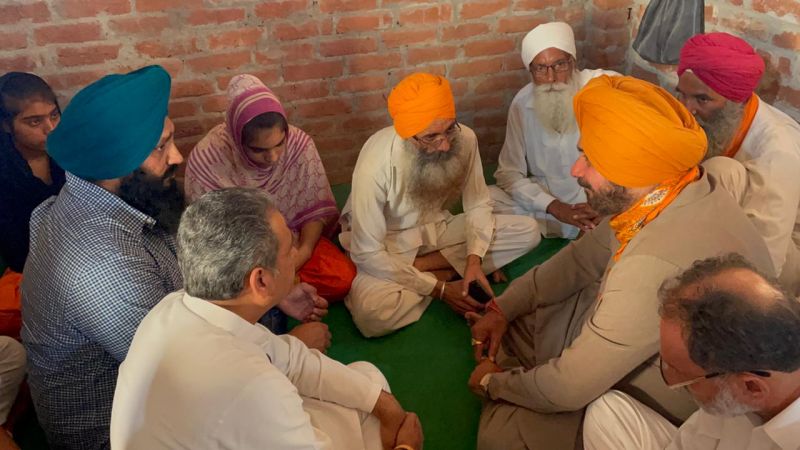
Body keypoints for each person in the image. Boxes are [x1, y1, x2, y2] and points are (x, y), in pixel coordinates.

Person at [21, 66, 327, 449]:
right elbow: (190, 371)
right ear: (118, 160)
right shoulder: (98, 263)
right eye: (161, 146)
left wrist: (273, 296)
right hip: (122, 431)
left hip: (174, 377)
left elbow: (185, 282)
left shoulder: (116, 195)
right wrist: (288, 350)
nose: (178, 156)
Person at [467, 75, 775, 450]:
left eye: (590, 161)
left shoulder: (651, 262)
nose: (576, 171)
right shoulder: (672, 187)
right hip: (648, 334)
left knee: (501, 437)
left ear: (632, 170)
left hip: (675, 403)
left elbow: (569, 389)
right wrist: (503, 307)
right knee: (526, 317)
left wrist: (493, 383)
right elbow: (579, 260)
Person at [111, 187, 424, 450]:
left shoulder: (176, 307)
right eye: (290, 248)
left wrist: (386, 406)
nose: (298, 255)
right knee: (369, 417)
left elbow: (294, 360)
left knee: (366, 384)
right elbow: (263, 385)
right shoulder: (251, 385)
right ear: (260, 282)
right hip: (243, 408)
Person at [340, 73, 540, 338]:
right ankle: (445, 275)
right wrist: (441, 291)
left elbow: (478, 203)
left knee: (528, 231)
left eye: (449, 129)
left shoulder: (464, 139)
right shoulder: (375, 163)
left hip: (438, 229)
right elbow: (368, 253)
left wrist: (474, 260)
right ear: (407, 135)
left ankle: (429, 269)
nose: (445, 145)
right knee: (373, 315)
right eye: (431, 137)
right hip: (388, 244)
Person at [583, 253, 800, 450]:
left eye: (686, 379)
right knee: (608, 412)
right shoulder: (739, 393)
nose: (676, 387)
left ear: (751, 387)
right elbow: (688, 443)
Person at [185, 74, 355, 304]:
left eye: (279, 144)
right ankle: (276, 295)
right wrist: (268, 271)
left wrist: (302, 253)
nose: (273, 157)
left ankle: (272, 296)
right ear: (237, 138)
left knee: (342, 279)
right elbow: (213, 240)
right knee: (222, 288)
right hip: (243, 257)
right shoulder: (209, 159)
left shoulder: (299, 145)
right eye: (258, 150)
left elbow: (314, 209)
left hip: (293, 244)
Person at [676, 32, 800, 295]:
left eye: (702, 99)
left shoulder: (779, 148)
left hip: (784, 255)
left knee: (720, 171)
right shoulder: (712, 119)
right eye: (683, 95)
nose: (688, 109)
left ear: (738, 101)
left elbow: (769, 254)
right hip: (729, 232)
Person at [490, 22, 615, 238]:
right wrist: (554, 207)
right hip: (549, 208)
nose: (550, 78)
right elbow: (508, 173)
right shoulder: (522, 103)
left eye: (559, 65)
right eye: (540, 68)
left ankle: (590, 225)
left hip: (601, 202)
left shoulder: (605, 87)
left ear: (573, 62)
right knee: (485, 200)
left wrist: (602, 206)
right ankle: (566, 226)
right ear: (530, 71)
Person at [0, 72, 64, 339]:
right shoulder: (5, 172)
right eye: (34, 121)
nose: (50, 128)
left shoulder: (67, 154)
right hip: (23, 275)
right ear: (6, 125)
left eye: (54, 116)